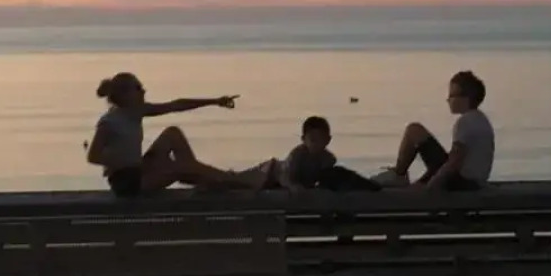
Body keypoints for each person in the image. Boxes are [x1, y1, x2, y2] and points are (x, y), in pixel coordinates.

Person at [86, 72, 268, 197]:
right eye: (138, 88)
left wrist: (215, 101)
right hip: (127, 185)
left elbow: (176, 105)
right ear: (125, 95)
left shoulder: (137, 111)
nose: (144, 91)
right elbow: (92, 156)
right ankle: (236, 181)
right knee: (181, 166)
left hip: (139, 170)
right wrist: (123, 161)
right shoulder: (109, 123)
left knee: (173, 133)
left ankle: (214, 181)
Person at [375, 70, 495, 191]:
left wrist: (431, 184)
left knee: (413, 130)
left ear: (465, 98)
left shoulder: (465, 122)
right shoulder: (480, 119)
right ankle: (402, 177)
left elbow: (455, 160)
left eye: (451, 95)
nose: (448, 100)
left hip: (462, 184)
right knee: (417, 132)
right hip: (472, 181)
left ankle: (399, 175)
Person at [278, 116, 381, 192]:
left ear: (328, 140)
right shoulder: (297, 155)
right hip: (278, 173)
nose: (317, 144)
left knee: (339, 173)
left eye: (321, 140)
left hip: (307, 182)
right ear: (303, 140)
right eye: (313, 140)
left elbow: (324, 178)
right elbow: (285, 175)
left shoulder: (328, 158)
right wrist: (293, 186)